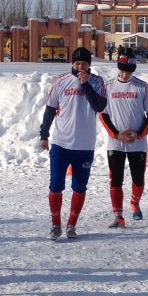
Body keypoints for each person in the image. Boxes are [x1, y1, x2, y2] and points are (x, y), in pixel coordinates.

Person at [39, 46, 107, 240]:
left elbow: (100, 106)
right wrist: (44, 135)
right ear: (72, 63)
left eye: (84, 64)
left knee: (79, 186)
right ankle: (55, 224)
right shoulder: (61, 81)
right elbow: (50, 110)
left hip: (84, 145)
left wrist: (86, 85)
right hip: (61, 143)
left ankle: (72, 224)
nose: (80, 67)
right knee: (55, 185)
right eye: (77, 63)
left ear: (89, 66)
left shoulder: (97, 82)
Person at [100, 49, 148, 227]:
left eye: (128, 71)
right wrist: (116, 134)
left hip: (137, 143)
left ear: (133, 70)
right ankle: (118, 215)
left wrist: (139, 134)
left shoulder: (141, 87)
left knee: (138, 178)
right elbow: (103, 115)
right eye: (122, 70)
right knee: (115, 179)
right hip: (115, 142)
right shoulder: (108, 87)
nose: (124, 74)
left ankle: (135, 202)